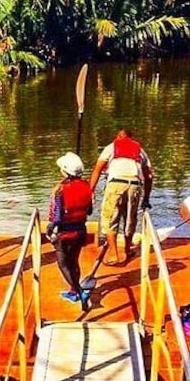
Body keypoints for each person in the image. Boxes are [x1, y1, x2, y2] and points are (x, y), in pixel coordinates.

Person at [89, 128, 153, 266]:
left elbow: (97, 169)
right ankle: (127, 249)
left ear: (118, 137)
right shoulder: (140, 150)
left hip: (116, 184)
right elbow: (149, 176)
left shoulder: (111, 147)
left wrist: (91, 191)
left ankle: (113, 254)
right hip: (135, 184)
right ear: (131, 138)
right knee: (130, 218)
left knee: (110, 218)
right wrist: (146, 198)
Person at [47, 152, 93, 311]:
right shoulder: (87, 186)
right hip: (80, 230)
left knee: (62, 263)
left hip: (64, 233)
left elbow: (57, 216)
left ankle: (79, 292)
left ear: (65, 172)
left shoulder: (60, 189)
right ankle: (74, 290)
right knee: (74, 262)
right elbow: (90, 210)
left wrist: (50, 228)